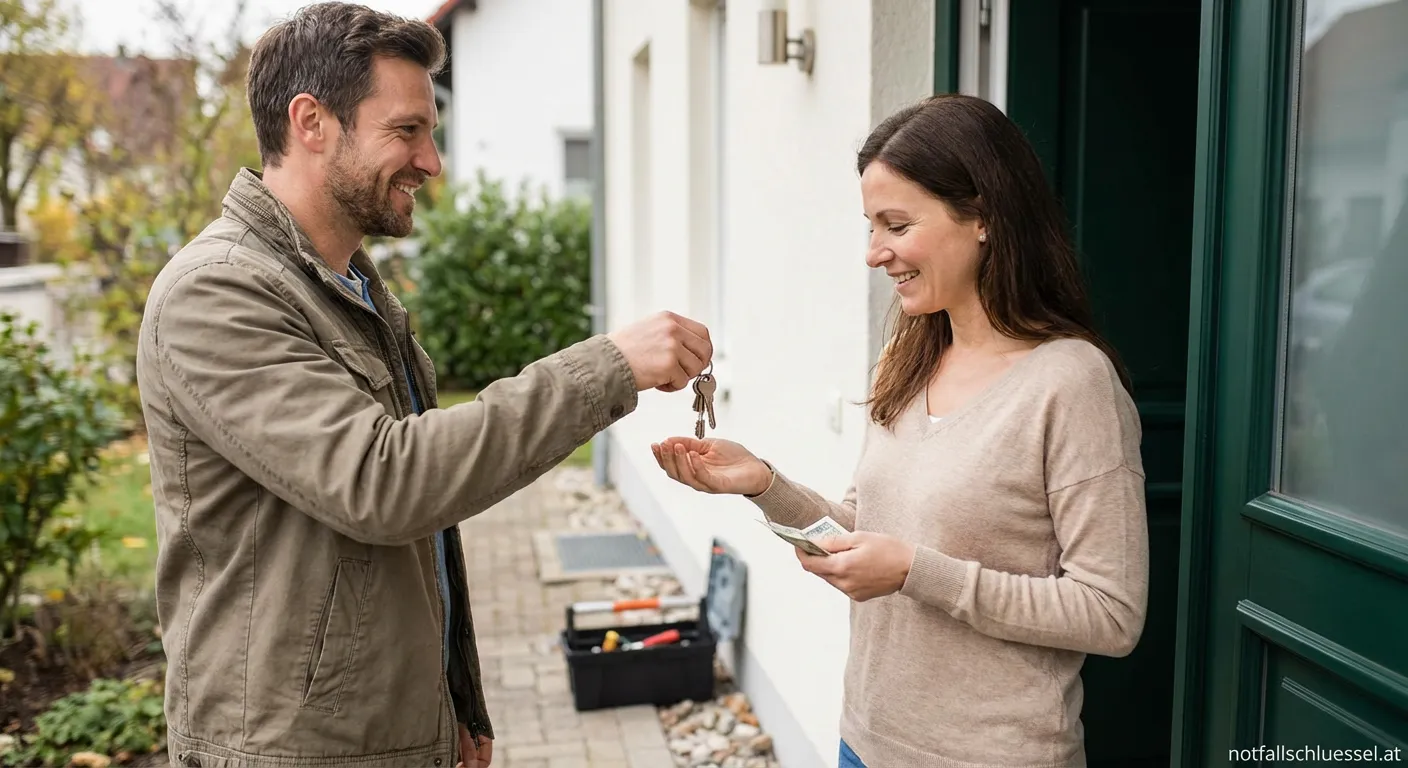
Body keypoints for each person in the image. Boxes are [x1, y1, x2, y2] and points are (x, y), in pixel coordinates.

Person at [134, 3, 712, 767]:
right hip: (290, 749)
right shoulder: (217, 294)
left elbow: (422, 533)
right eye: (407, 130)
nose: (431, 161)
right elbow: (385, 480)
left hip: (386, 734)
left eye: (429, 132)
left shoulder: (350, 288)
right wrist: (607, 365)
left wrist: (452, 704)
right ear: (312, 122)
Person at [652, 93, 1149, 768]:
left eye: (896, 225)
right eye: (869, 227)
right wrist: (763, 484)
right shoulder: (909, 358)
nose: (874, 253)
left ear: (983, 217)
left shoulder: (1072, 384)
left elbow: (1109, 613)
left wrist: (919, 572)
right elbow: (866, 523)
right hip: (867, 740)